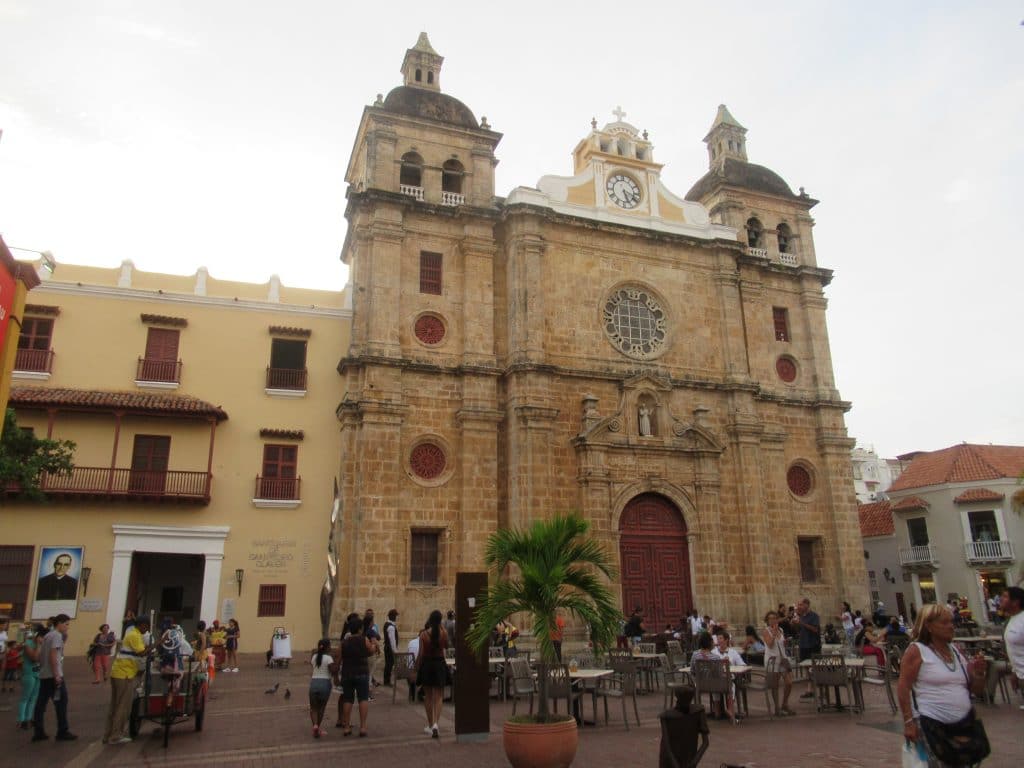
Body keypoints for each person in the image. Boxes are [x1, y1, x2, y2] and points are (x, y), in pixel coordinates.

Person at [897, 604, 988, 765]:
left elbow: (975, 690)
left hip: (964, 725)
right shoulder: (916, 651)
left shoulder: (956, 651)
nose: (951, 626)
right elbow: (903, 687)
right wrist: (908, 722)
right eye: (944, 623)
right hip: (932, 724)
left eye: (951, 622)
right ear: (929, 626)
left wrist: (979, 674)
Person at [103, 616, 150, 745]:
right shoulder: (134, 635)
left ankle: (108, 734)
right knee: (123, 706)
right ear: (142, 625)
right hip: (125, 675)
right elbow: (142, 653)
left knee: (115, 705)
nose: (147, 629)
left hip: (118, 673)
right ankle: (116, 736)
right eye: (147, 626)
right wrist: (159, 642)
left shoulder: (131, 633)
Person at [32, 613, 76, 742]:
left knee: (41, 704)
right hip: (53, 675)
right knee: (61, 702)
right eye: (66, 624)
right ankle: (62, 730)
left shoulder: (47, 636)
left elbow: (40, 656)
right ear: (60, 623)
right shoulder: (56, 636)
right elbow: (53, 655)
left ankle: (38, 731)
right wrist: (57, 674)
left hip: (44, 674)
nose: (67, 627)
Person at [339, 615, 376, 737]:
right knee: (363, 699)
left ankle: (346, 727)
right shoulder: (363, 639)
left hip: (347, 673)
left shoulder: (344, 642)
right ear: (360, 629)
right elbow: (371, 651)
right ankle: (363, 727)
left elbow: (339, 658)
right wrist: (374, 644)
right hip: (362, 673)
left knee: (348, 699)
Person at [415, 609, 449, 738]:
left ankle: (430, 725)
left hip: (427, 665)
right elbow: (446, 646)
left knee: (428, 696)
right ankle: (436, 723)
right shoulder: (443, 633)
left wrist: (416, 668)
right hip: (439, 664)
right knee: (439, 696)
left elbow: (421, 653)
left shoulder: (423, 635)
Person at [658, 686, 710, 768]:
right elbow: (705, 743)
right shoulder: (698, 712)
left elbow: (667, 747)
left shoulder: (667, 717)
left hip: (680, 760)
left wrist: (693, 763)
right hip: (682, 761)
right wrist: (693, 762)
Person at [761, 610, 795, 716]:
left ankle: (784, 703)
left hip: (782, 659)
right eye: (770, 619)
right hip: (772, 660)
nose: (773, 620)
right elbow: (770, 644)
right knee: (775, 685)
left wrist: (784, 641)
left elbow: (780, 644)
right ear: (767, 620)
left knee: (789, 683)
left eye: (775, 618)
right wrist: (774, 633)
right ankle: (777, 708)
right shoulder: (766, 631)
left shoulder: (781, 629)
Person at [17, 624, 46, 730]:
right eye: (42, 637)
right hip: (29, 672)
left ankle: (29, 718)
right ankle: (21, 719)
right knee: (26, 697)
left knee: (34, 697)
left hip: (38, 673)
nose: (43, 639)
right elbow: (34, 657)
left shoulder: (43, 645)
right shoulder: (28, 644)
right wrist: (38, 645)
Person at [999, 586, 1024, 710]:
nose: (1000, 599)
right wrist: (1014, 672)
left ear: (1015, 602)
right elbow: (1014, 649)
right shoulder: (1010, 620)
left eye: (1005, 596)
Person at [792, 597, 821, 699]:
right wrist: (795, 624)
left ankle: (817, 689)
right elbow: (799, 630)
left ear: (806, 605)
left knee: (814, 668)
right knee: (807, 668)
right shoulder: (801, 616)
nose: (798, 607)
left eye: (800, 604)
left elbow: (815, 629)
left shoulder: (814, 616)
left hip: (813, 645)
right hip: (803, 644)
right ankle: (810, 689)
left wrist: (801, 623)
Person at [308, 638, 334, 738]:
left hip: (314, 683)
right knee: (321, 708)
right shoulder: (329, 658)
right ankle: (318, 727)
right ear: (327, 647)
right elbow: (332, 670)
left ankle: (314, 725)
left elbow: (312, 664)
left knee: (313, 708)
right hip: (325, 684)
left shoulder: (314, 657)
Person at [382, 609, 399, 686]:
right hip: (389, 649)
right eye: (395, 616)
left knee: (388, 664)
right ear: (392, 616)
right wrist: (395, 651)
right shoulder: (391, 627)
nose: (396, 617)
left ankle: (386, 680)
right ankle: (387, 681)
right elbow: (392, 640)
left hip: (387, 648)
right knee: (389, 664)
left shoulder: (387, 624)